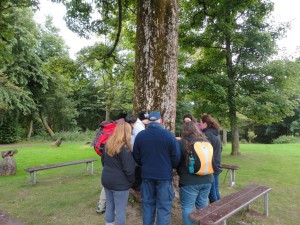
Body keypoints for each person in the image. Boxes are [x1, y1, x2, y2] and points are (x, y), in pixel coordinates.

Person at [133, 111, 181, 225]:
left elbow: (136, 156)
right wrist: (169, 166)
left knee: (148, 206)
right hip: (164, 176)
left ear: (148, 121)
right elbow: (176, 157)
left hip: (147, 175)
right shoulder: (169, 135)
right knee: (164, 207)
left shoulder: (141, 136)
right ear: (161, 121)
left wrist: (144, 164)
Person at [177, 122, 213, 225]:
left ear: (184, 131)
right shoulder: (206, 142)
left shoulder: (182, 143)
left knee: (187, 207)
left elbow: (176, 161)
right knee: (203, 206)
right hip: (207, 179)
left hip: (189, 181)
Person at [101, 122, 136, 225]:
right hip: (120, 184)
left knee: (110, 205)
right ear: (127, 132)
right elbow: (129, 170)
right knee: (120, 210)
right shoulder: (125, 149)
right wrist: (131, 182)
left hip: (107, 179)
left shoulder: (108, 144)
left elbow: (103, 161)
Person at [199, 114, 222, 203]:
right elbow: (221, 149)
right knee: (215, 189)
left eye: (201, 123)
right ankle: (220, 209)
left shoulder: (207, 134)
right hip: (217, 162)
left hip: (211, 165)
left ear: (205, 123)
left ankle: (216, 214)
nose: (200, 125)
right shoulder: (215, 132)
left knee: (212, 192)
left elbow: (205, 151)